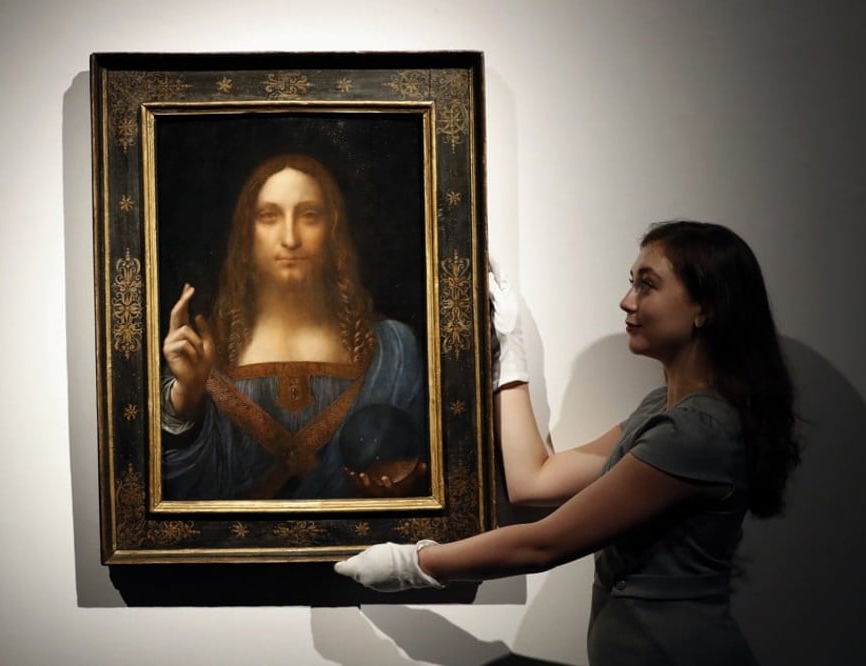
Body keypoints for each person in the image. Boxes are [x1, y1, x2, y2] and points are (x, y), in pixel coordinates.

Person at [335, 220, 801, 665]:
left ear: (705, 307)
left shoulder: (695, 434)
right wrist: (510, 351)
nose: (626, 300)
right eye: (631, 282)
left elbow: (543, 545)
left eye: (647, 284)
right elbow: (533, 481)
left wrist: (413, 564)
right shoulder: (662, 410)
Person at [159, 153, 428, 500]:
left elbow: (421, 471)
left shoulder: (395, 351)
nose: (290, 238)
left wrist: (404, 485)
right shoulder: (203, 355)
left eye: (309, 216)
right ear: (246, 233)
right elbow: (177, 490)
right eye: (269, 216)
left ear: (332, 231)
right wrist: (186, 394)